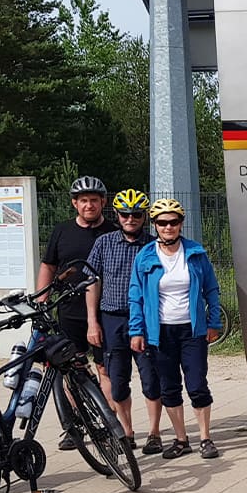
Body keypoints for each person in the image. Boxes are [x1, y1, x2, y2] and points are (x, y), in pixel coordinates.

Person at [128, 198, 223, 461]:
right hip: (160, 332)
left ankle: (205, 438)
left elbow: (211, 289)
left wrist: (213, 322)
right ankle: (181, 439)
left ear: (181, 223)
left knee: (197, 384)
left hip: (191, 330)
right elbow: (135, 296)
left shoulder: (195, 252)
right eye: (162, 222)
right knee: (169, 387)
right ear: (155, 225)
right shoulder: (145, 256)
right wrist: (136, 330)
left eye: (173, 222)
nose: (168, 227)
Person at [38, 176, 116, 450]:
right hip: (69, 310)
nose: (89, 205)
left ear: (103, 203)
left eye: (95, 200)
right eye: (84, 200)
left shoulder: (113, 231)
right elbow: (48, 265)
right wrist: (41, 298)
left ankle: (109, 424)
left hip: (105, 310)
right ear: (75, 203)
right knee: (72, 368)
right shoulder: (62, 231)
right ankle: (75, 427)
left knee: (105, 368)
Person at [85, 190, 163, 452]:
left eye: (137, 214)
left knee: (151, 377)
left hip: (145, 318)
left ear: (145, 217)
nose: (130, 219)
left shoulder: (154, 245)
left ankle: (154, 432)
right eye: (125, 214)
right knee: (117, 381)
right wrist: (91, 321)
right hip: (112, 318)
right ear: (117, 216)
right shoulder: (104, 243)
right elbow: (92, 283)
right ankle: (127, 432)